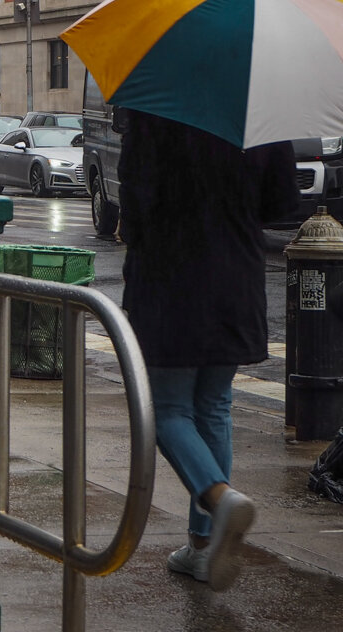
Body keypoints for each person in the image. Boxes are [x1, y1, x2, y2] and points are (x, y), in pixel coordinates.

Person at [118, 108, 298, 592]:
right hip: (235, 272)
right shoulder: (259, 106)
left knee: (168, 409)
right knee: (215, 405)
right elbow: (281, 202)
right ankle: (201, 547)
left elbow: (135, 199)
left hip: (169, 275)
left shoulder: (157, 106)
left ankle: (220, 499)